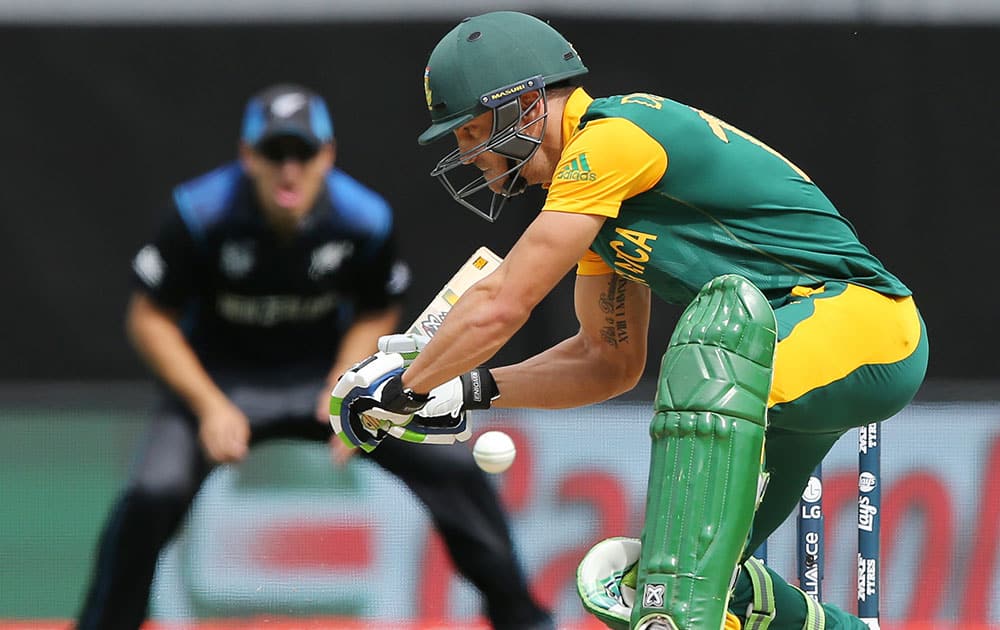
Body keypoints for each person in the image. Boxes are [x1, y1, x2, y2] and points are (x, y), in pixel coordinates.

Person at [333, 12, 928, 630]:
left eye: (472, 130)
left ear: (527, 104)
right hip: (784, 360)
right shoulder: (595, 200)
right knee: (684, 589)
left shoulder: (613, 141)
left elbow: (506, 299)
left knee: (707, 368)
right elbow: (607, 362)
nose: (468, 153)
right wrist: (467, 389)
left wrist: (406, 387)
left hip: (867, 324)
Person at [75, 83, 553, 630]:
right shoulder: (198, 213)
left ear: (326, 155)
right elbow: (149, 318)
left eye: (302, 154)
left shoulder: (363, 218)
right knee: (152, 491)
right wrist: (209, 407)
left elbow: (377, 308)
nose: (289, 171)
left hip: (323, 381)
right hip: (219, 382)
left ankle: (524, 621)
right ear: (246, 155)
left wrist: (346, 380)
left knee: (449, 466)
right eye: (273, 154)